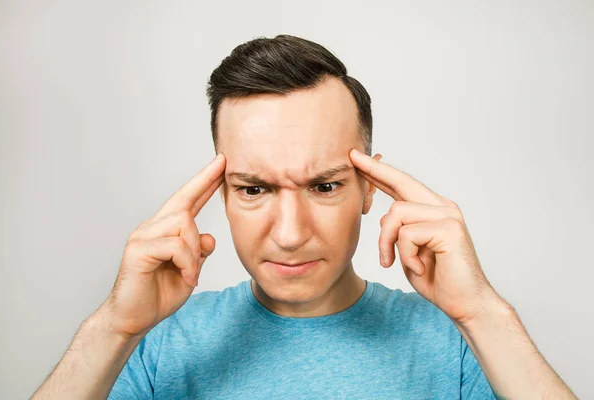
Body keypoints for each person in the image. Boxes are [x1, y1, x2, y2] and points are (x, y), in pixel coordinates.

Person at [32, 35, 576, 400]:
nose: (290, 234)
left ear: (371, 187)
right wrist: (113, 328)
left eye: (324, 186)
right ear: (219, 194)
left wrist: (483, 312)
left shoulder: (458, 343)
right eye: (253, 189)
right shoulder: (154, 343)